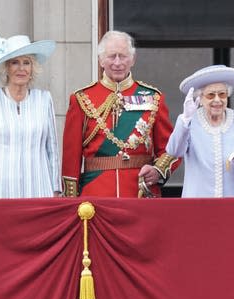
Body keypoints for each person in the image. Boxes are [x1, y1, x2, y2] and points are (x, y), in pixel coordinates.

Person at [62, 30, 179, 197]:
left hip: (140, 193)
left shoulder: (153, 98)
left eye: (123, 56)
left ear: (132, 60)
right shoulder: (81, 98)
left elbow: (171, 148)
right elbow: (70, 157)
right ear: (101, 60)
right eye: (111, 56)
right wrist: (70, 200)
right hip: (96, 194)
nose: (117, 62)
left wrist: (158, 171)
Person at [0, 34, 61, 198]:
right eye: (15, 62)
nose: (21, 68)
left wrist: (56, 189)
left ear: (32, 68)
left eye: (26, 62)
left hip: (38, 189)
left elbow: (52, 150)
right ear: (6, 68)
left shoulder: (44, 99)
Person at [167, 65, 234, 197]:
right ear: (200, 98)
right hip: (197, 205)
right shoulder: (189, 121)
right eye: (210, 95)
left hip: (232, 206)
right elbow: (174, 151)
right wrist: (185, 119)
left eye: (222, 94)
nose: (217, 100)